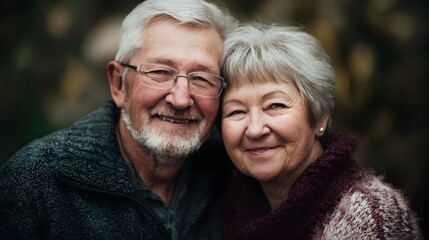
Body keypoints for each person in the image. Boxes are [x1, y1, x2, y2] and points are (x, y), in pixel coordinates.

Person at [0, 0, 237, 239]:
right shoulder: (36, 182)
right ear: (118, 85)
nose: (181, 98)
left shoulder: (236, 172)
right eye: (160, 72)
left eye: (202, 79)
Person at [220, 23, 422, 240]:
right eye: (236, 111)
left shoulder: (368, 214)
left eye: (275, 106)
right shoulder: (227, 203)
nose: (255, 129)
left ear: (319, 118)